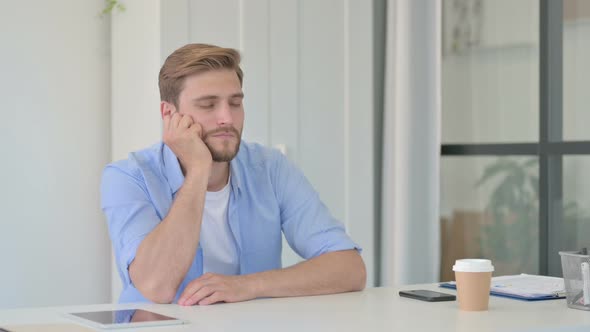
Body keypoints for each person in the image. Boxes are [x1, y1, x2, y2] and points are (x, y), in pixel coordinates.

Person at [101, 43, 366, 306]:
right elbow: (156, 287)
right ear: (169, 114)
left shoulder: (269, 167)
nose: (227, 118)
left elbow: (350, 269)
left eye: (235, 103)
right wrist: (198, 170)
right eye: (208, 105)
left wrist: (247, 286)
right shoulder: (126, 178)